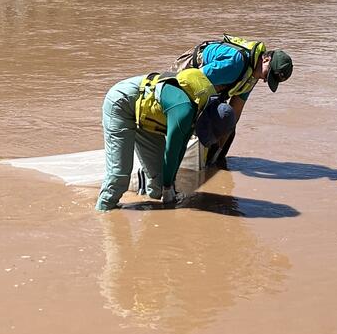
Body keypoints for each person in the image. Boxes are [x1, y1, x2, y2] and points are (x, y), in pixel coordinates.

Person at [96, 68, 216, 211]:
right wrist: (168, 186)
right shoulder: (184, 112)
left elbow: (181, 148)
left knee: (158, 182)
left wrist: (168, 184)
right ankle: (103, 210)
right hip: (121, 103)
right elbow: (171, 152)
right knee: (119, 175)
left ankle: (149, 205)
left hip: (146, 113)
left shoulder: (203, 108)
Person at [176, 36, 293, 167]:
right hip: (186, 77)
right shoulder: (236, 63)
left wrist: (219, 149)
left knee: (226, 122)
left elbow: (235, 112)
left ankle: (213, 166)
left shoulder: (254, 72)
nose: (265, 80)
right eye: (267, 76)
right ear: (266, 59)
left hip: (209, 86)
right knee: (209, 121)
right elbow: (192, 79)